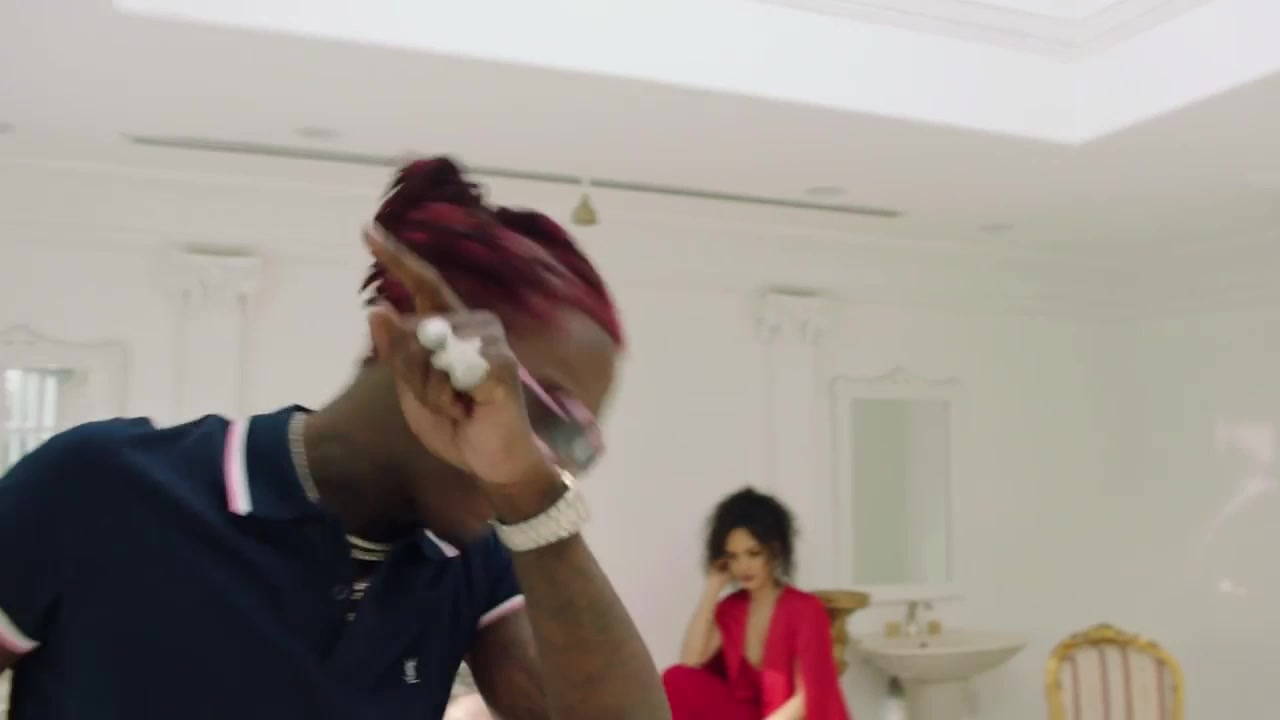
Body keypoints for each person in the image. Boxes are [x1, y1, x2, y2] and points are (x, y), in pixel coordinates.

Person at [0, 157, 669, 720]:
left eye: (576, 443)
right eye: (544, 414)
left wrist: (529, 493)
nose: (541, 455)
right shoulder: (100, 486)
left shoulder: (474, 562)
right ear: (399, 344)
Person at [663, 488, 850, 720]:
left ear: (775, 551)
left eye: (753, 553)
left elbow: (806, 699)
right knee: (676, 678)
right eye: (733, 556)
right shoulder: (732, 608)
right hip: (748, 713)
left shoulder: (806, 609)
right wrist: (712, 587)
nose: (743, 566)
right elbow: (690, 661)